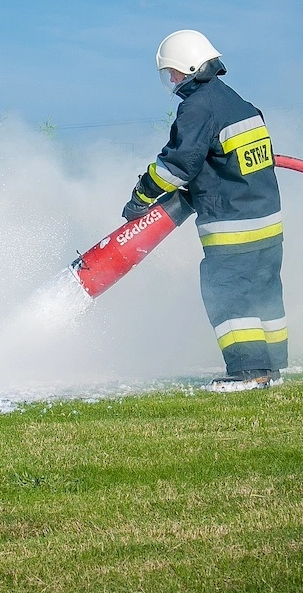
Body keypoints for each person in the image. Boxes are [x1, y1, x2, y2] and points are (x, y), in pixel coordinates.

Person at [122, 30, 286, 390]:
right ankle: (270, 367)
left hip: (233, 226)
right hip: (267, 224)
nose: (173, 81)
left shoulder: (197, 108)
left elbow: (176, 166)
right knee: (264, 292)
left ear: (191, 68)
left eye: (175, 73)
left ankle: (248, 371)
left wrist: (141, 197)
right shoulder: (238, 103)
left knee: (226, 290)